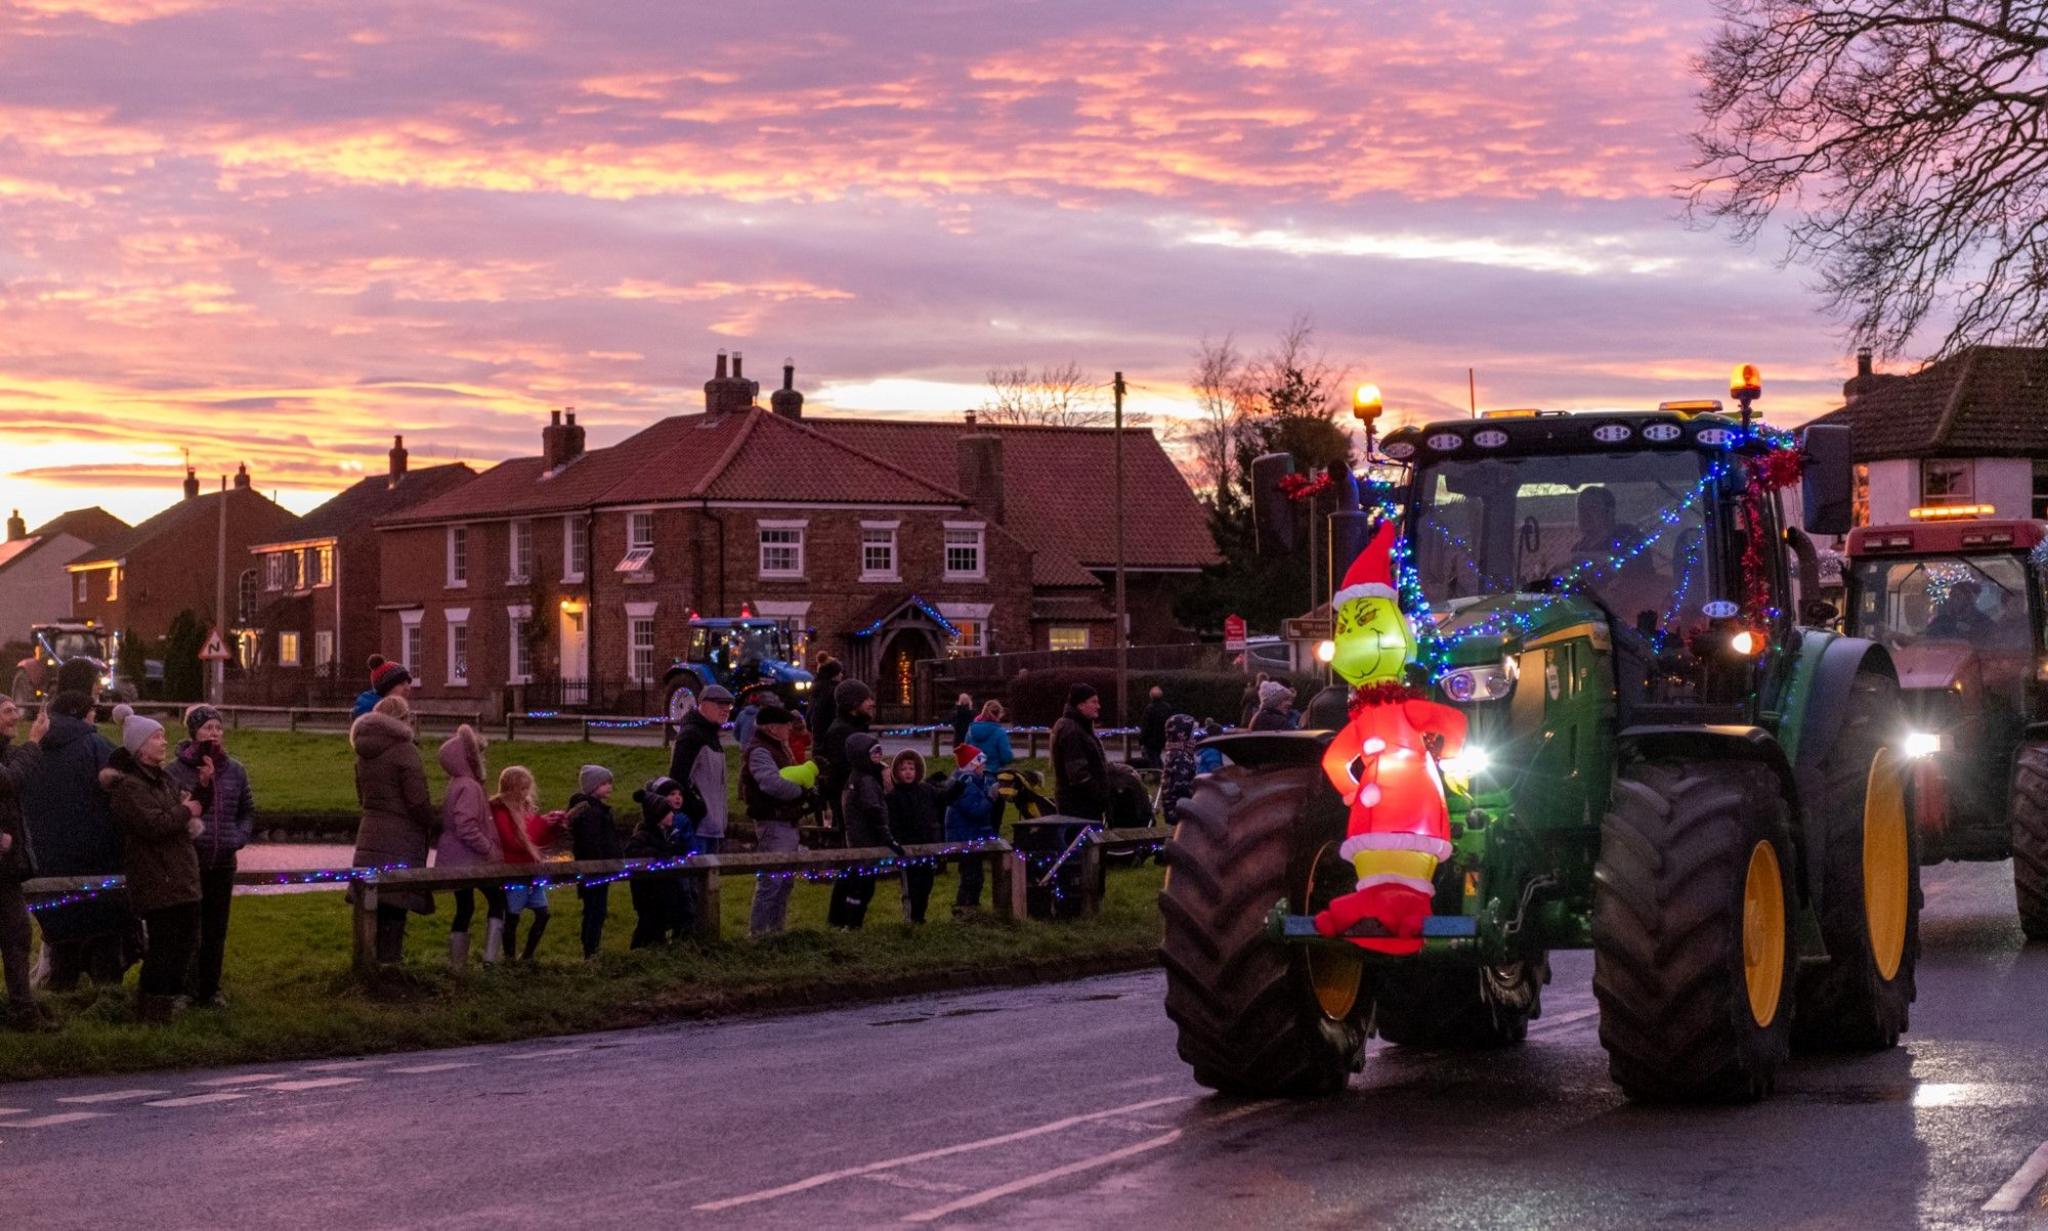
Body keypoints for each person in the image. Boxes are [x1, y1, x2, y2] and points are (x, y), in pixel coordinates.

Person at [19, 690, 129, 991]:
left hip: (45, 861)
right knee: (104, 936)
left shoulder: (33, 748)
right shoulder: (96, 746)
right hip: (95, 860)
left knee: (62, 936)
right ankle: (106, 1001)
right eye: (93, 710)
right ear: (81, 712)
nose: (96, 715)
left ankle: (60, 994)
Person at [108, 713, 203, 1023]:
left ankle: (166, 1005)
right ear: (140, 747)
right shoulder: (130, 788)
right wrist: (184, 810)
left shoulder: (164, 780)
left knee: (186, 941)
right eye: (157, 737)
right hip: (156, 876)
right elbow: (153, 825)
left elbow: (178, 815)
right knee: (163, 946)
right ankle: (151, 1011)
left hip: (179, 873)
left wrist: (201, 790)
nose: (164, 742)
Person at [163, 703, 252, 1007]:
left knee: (216, 928)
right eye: (207, 728)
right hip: (189, 862)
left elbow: (247, 811)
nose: (214, 733)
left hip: (223, 861)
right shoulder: (174, 772)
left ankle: (211, 989)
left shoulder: (235, 771)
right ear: (193, 733)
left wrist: (237, 838)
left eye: (218, 728)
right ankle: (186, 988)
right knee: (189, 929)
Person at [349, 693, 436, 966]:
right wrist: (438, 821)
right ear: (403, 719)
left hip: (370, 833)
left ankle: (368, 966)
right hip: (400, 837)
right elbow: (418, 802)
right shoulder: (405, 751)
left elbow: (363, 798)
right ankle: (390, 969)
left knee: (374, 905)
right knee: (396, 905)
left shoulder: (363, 753)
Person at [432, 724, 503, 968]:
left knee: (465, 907)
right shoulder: (470, 787)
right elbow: (466, 826)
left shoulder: (456, 784)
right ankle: (491, 959)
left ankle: (457, 965)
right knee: (497, 899)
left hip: (454, 858)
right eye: (480, 753)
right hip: (471, 859)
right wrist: (488, 849)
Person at [0, 696, 51, 1029]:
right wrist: (34, 743)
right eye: (6, 712)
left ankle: (23, 1011)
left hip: (6, 869)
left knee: (17, 934)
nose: (14, 716)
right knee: (15, 933)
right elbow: (8, 781)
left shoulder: (6, 751)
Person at [743, 705, 810, 937]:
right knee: (772, 882)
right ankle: (760, 933)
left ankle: (776, 931)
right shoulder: (761, 751)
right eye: (785, 725)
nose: (789, 729)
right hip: (773, 820)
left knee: (784, 881)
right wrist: (800, 792)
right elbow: (770, 783)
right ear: (772, 728)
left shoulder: (775, 747)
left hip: (784, 820)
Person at [668, 684, 731, 930]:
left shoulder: (711, 736)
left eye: (728, 706)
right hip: (700, 826)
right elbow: (679, 778)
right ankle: (692, 935)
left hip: (713, 824)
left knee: (708, 886)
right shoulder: (692, 735)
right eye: (719, 705)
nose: (725, 710)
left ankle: (704, 934)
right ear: (703, 705)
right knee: (694, 886)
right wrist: (698, 809)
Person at [827, 732, 897, 929]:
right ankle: (852, 923)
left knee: (856, 881)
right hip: (865, 840)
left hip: (861, 838)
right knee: (862, 886)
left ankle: (842, 920)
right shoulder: (864, 781)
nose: (878, 757)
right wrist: (887, 836)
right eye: (874, 753)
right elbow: (874, 810)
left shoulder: (861, 778)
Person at [490, 766, 553, 962]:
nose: (526, 793)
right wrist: (540, 826)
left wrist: (551, 826)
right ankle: (510, 958)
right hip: (515, 871)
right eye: (522, 789)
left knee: (543, 913)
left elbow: (538, 839)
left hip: (532, 871)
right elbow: (512, 842)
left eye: (528, 789)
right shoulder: (501, 811)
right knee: (513, 916)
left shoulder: (526, 809)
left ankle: (527, 955)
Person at [563, 765, 620, 961]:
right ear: (593, 786)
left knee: (597, 910)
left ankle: (593, 949)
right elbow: (592, 841)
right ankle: (591, 950)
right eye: (604, 783)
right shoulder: (591, 813)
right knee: (594, 910)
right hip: (593, 870)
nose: (609, 787)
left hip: (600, 870)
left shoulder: (598, 811)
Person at [626, 777, 688, 948]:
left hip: (662, 889)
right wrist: (655, 854)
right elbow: (632, 852)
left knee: (659, 923)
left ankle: (656, 950)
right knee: (648, 924)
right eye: (668, 812)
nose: (672, 815)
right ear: (658, 816)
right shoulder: (644, 836)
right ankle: (639, 951)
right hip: (647, 891)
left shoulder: (667, 835)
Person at [885, 750, 944, 924]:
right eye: (903, 769)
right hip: (906, 847)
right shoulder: (893, 797)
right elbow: (892, 823)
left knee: (926, 884)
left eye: (911, 768)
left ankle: (920, 916)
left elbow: (943, 798)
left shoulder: (926, 790)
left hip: (927, 844)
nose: (908, 772)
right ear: (897, 772)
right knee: (910, 885)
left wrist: (958, 784)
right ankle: (910, 918)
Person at [945, 744, 1000, 917]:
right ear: (972, 765)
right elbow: (975, 811)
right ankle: (963, 908)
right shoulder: (965, 785)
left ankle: (972, 908)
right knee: (970, 876)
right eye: (980, 763)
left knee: (975, 876)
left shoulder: (971, 783)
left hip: (971, 836)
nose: (983, 767)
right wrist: (991, 797)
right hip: (966, 838)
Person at [818, 679, 875, 839]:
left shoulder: (856, 727)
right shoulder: (841, 731)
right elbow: (846, 768)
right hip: (848, 799)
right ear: (853, 703)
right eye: (867, 699)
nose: (872, 703)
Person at [1051, 684, 1110, 821]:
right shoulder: (1072, 731)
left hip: (1082, 804)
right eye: (1094, 702)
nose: (1098, 706)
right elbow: (1078, 774)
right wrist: (1100, 795)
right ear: (1081, 705)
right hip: (1079, 806)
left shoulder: (1079, 727)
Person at [1157, 714, 1200, 825]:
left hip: (1177, 809)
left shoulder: (1176, 753)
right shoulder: (1180, 757)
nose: (1194, 738)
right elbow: (1181, 787)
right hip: (1179, 812)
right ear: (1183, 735)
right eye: (1192, 734)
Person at [353, 655, 410, 719]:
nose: (407, 688)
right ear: (386, 688)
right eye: (401, 684)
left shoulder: (394, 710)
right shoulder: (374, 717)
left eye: (408, 683)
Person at [809, 657, 845, 743]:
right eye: (839, 672)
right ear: (833, 675)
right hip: (829, 734)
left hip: (819, 734)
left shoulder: (817, 688)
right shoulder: (832, 691)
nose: (841, 675)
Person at [1139, 687, 1172, 768]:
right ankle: (1161, 771)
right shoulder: (1167, 707)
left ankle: (1157, 775)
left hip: (1150, 740)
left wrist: (1141, 740)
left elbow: (1146, 726)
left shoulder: (1149, 709)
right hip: (1162, 738)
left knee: (1152, 760)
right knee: (1156, 757)